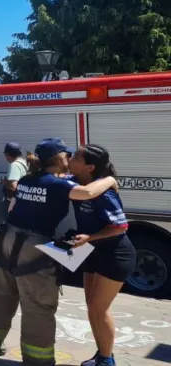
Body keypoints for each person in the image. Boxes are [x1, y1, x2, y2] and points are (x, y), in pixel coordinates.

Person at [0, 138, 118, 365]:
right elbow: (89, 192)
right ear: (59, 159)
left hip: (4, 239)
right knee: (38, 304)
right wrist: (109, 179)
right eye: (67, 156)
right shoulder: (58, 185)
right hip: (32, 245)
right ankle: (37, 358)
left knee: (0, 294)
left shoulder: (27, 179)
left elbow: (13, 207)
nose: (70, 159)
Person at [68, 144, 134, 366]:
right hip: (92, 252)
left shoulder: (103, 193)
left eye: (76, 157)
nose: (70, 158)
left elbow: (119, 227)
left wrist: (90, 238)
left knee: (99, 307)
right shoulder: (77, 182)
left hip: (115, 254)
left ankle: (107, 360)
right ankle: (101, 353)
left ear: (90, 166)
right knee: (91, 306)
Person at [2, 142, 28, 215]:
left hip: (13, 202)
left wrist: (4, 181)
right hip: (23, 200)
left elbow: (13, 186)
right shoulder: (25, 162)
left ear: (6, 154)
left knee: (9, 224)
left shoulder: (14, 165)